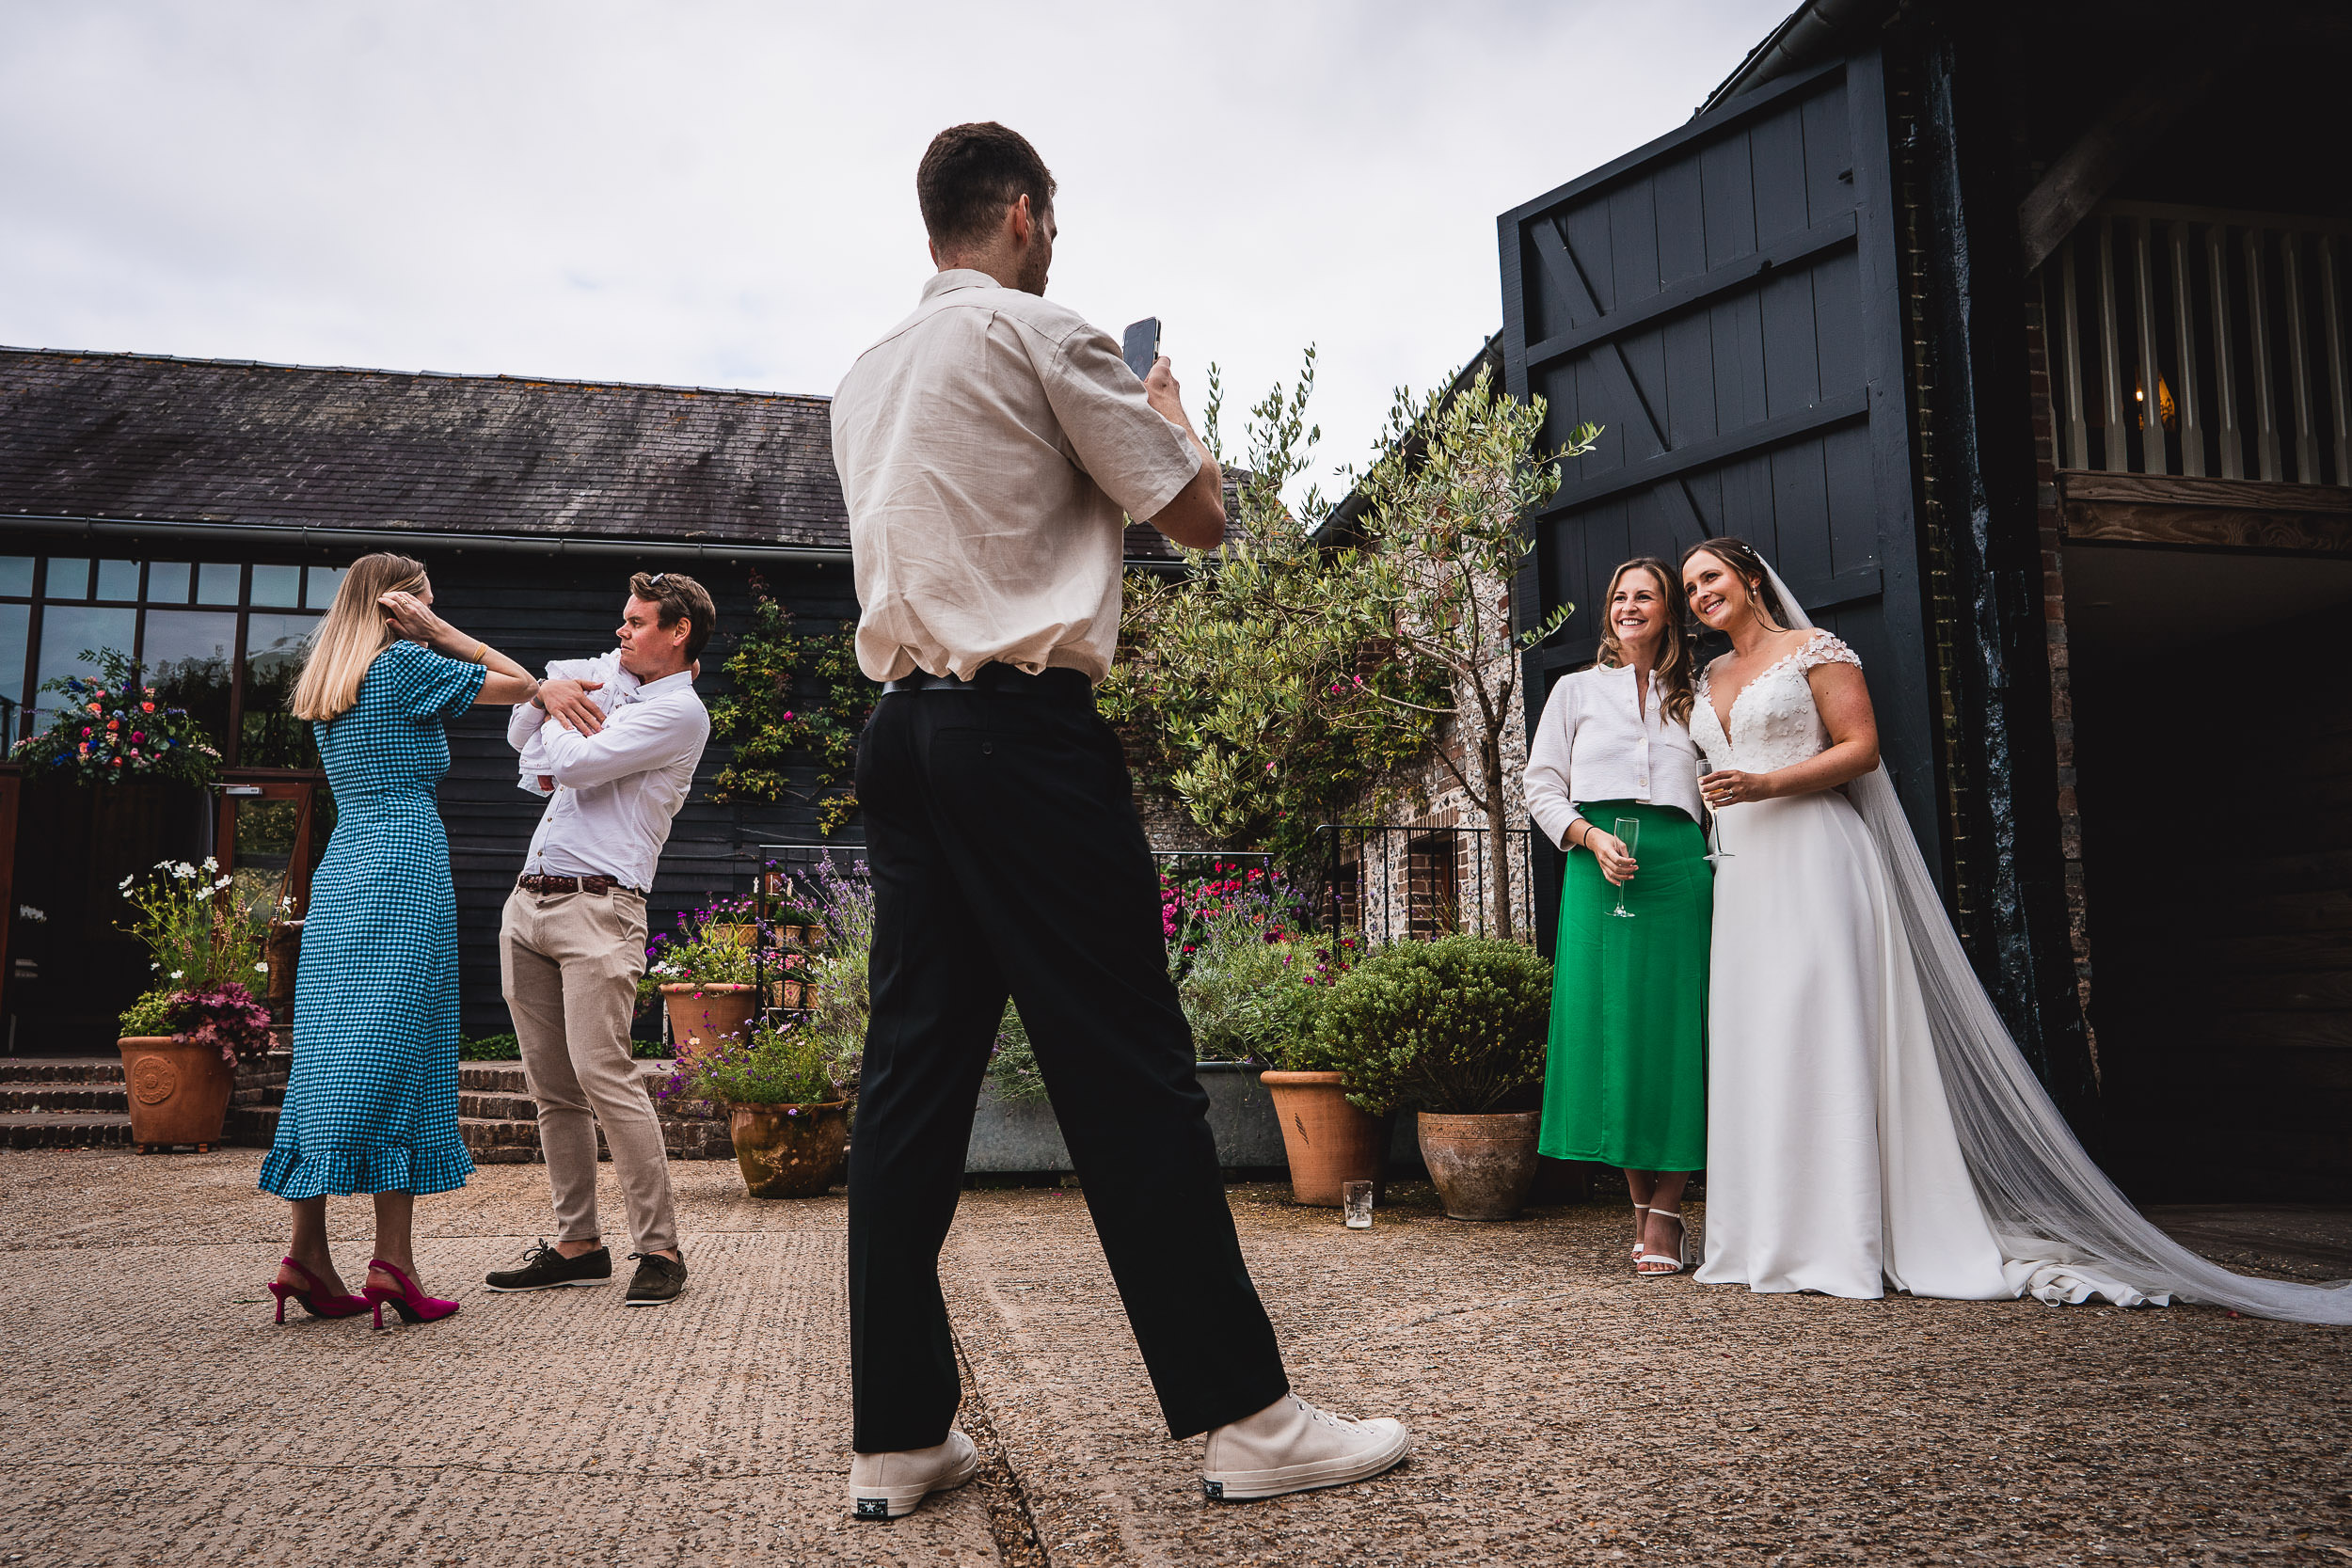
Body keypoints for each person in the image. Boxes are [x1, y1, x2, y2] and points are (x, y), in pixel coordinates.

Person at [828, 121, 1411, 1520]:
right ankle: (1251, 1416)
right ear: (1025, 214)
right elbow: (1199, 517)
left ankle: (899, 1436)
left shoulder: (864, 376)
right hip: (1020, 733)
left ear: (935, 231)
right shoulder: (1045, 335)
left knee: (911, 1080)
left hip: (901, 730)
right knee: (1130, 1066)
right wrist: (1171, 409)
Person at [1683, 534, 2352, 1323]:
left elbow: (1862, 751)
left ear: (1751, 577)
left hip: (1816, 861)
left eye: (1711, 576)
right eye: (1690, 585)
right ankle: (1766, 1232)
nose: (1699, 593)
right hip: (1745, 875)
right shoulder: (1708, 675)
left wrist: (1764, 781)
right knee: (1756, 1040)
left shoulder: (1816, 650)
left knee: (1820, 1032)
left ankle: (1837, 1232)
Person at [261, 552, 540, 1328]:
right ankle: (394, 1262)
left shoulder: (329, 683)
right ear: (399, 609)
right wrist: (440, 631)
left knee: (326, 1050)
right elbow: (525, 685)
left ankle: (306, 1252)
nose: (430, 613)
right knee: (405, 1049)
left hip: (344, 865)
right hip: (404, 863)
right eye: (423, 602)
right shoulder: (407, 665)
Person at [465, 571, 716, 1308]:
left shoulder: (679, 713)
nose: (621, 632)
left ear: (678, 634)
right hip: (529, 901)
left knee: (606, 1077)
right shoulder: (615, 678)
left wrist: (554, 708)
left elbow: (565, 762)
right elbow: (525, 723)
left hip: (601, 909)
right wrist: (551, 698)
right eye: (621, 621)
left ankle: (660, 1248)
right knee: (551, 1089)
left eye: (637, 623)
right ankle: (578, 1245)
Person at [1522, 558, 1710, 1276]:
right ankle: (1648, 1213)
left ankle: (1668, 1205)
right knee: (1618, 1033)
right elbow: (1540, 783)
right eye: (1619, 596)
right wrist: (1590, 836)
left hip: (1677, 864)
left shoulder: (1696, 693)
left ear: (1669, 610)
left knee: (1675, 1030)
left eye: (1646, 595)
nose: (1630, 606)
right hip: (1594, 863)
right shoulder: (1575, 691)